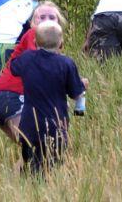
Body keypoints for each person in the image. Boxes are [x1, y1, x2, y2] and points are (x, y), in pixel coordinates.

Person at [11, 21, 87, 174]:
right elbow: (75, 93)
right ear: (61, 44)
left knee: (29, 161)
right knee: (51, 165)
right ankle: (44, 188)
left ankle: (28, 186)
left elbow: (13, 67)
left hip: (29, 125)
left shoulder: (27, 59)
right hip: (56, 125)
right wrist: (82, 85)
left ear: (34, 42)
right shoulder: (66, 64)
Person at [0, 2, 67, 143]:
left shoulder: (53, 51)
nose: (46, 21)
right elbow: (40, 65)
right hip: (10, 96)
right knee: (39, 145)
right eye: (41, 17)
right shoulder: (34, 34)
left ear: (59, 23)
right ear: (32, 23)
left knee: (36, 153)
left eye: (52, 17)